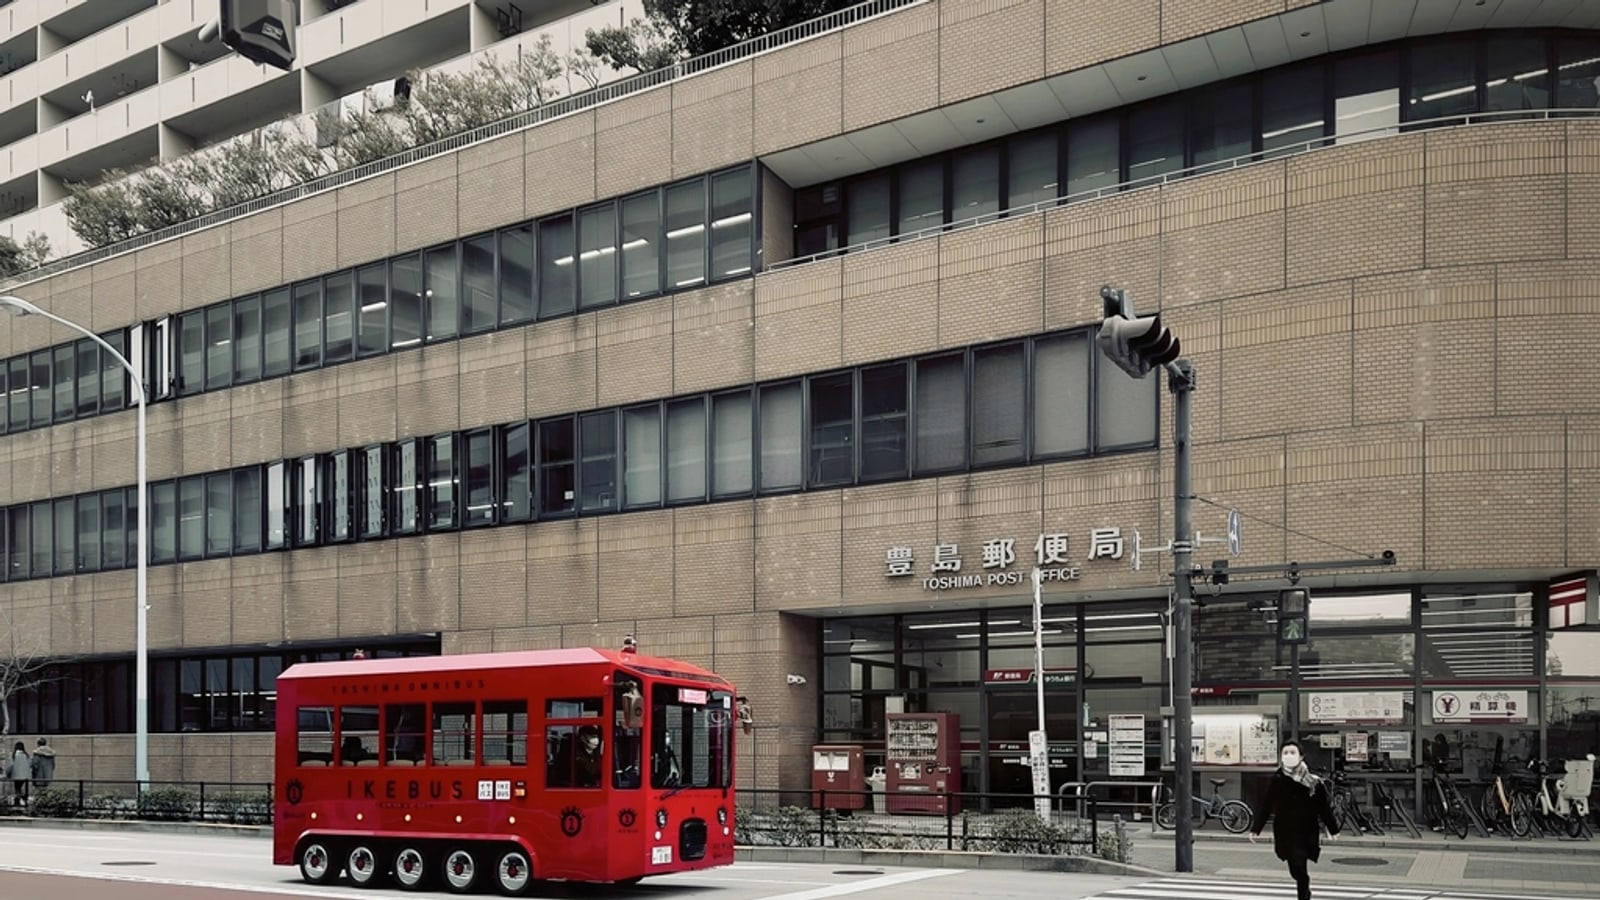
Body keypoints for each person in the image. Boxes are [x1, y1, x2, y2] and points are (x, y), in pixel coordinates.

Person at [1249, 741, 1339, 900]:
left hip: (1306, 829)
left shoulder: (1313, 782)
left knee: (1300, 862)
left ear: (1301, 756)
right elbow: (1267, 804)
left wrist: (1333, 828)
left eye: (1292, 752)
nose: (1289, 756)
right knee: (1294, 867)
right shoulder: (1277, 778)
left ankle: (1303, 894)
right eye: (1285, 753)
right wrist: (1256, 828)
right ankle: (1303, 882)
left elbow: (1323, 807)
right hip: (1285, 830)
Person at [8, 742, 31, 808]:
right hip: (25, 775)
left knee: (17, 788)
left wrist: (8, 773)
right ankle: (22, 798)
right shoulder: (26, 755)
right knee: (19, 788)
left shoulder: (14, 755)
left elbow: (11, 765)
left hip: (16, 775)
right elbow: (29, 764)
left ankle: (19, 799)